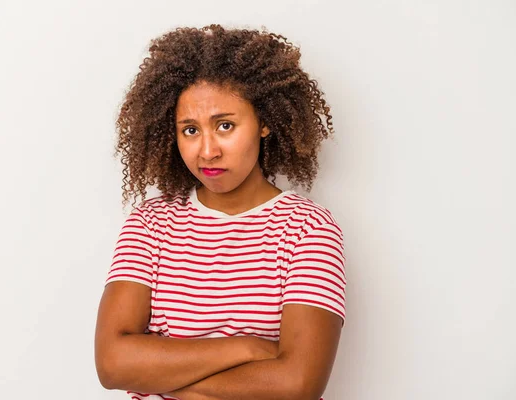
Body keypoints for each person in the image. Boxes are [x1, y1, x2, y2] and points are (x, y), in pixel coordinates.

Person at [94, 24, 347, 400]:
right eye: (190, 130)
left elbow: (298, 384)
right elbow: (113, 364)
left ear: (264, 123)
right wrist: (246, 348)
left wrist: (156, 373)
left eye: (225, 125)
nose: (207, 150)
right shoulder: (150, 225)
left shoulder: (308, 229)